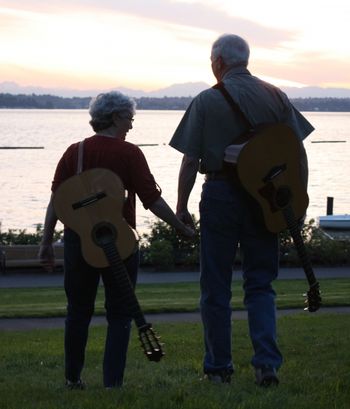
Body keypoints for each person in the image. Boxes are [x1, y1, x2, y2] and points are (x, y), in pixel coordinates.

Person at [169, 34, 314, 386]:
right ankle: (267, 365)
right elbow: (296, 152)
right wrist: (296, 196)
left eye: (211, 60)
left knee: (215, 286)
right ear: (245, 60)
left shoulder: (206, 100)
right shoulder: (275, 95)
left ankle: (218, 369)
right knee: (261, 283)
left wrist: (181, 206)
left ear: (218, 62)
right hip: (267, 197)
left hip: (221, 194)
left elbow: (191, 160)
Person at [39, 91, 194, 390]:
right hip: (120, 245)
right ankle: (113, 384)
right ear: (114, 118)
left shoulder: (75, 152)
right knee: (120, 314)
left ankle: (72, 379)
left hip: (78, 242)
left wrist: (46, 241)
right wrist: (180, 227)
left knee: (78, 312)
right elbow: (152, 200)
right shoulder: (129, 154)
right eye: (129, 119)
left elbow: (57, 202)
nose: (132, 126)